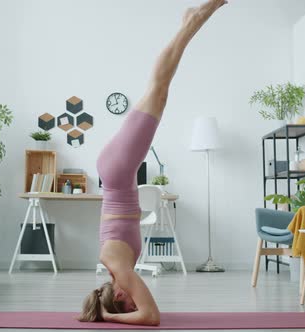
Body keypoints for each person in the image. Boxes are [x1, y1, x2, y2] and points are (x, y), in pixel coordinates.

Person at [78, 0, 228, 326]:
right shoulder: (119, 268)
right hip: (119, 173)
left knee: (157, 89)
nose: (134, 300)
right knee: (158, 92)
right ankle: (190, 24)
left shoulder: (121, 272)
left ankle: (191, 22)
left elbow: (151, 317)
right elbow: (146, 312)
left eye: (126, 303)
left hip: (118, 173)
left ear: (118, 297)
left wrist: (107, 317)